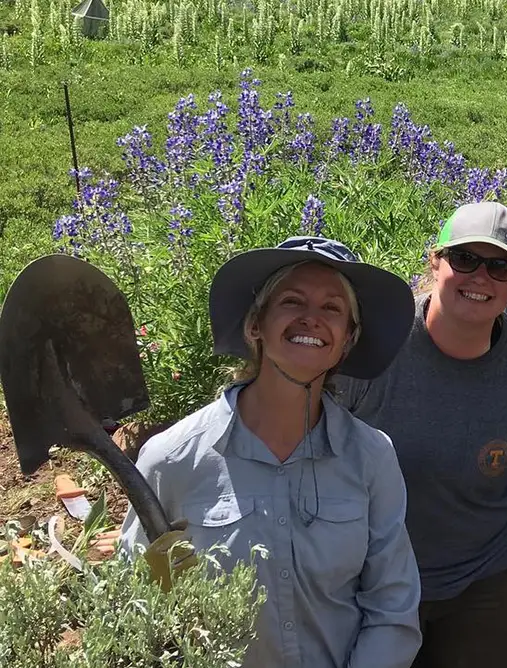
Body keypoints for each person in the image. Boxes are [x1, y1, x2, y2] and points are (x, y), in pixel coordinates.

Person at [119, 236, 423, 668]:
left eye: (332, 309)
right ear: (254, 325)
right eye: (292, 302)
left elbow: (392, 604)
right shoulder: (172, 459)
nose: (311, 319)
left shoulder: (371, 457)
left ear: (348, 339)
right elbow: (138, 602)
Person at [334, 201, 507, 668]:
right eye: (464, 259)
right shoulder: (374, 347)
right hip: (377, 575)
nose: (480, 277)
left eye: (500, 266)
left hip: (491, 576)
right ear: (435, 261)